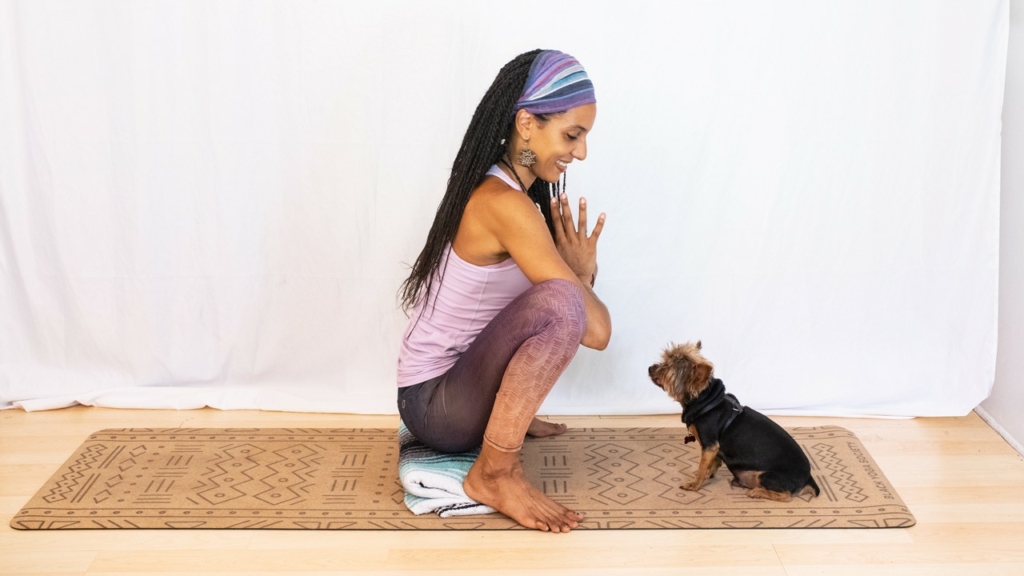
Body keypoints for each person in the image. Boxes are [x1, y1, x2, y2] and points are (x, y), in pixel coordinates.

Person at [396, 49, 611, 533]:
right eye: (572, 135)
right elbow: (595, 331)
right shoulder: (505, 206)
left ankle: (504, 419)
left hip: (450, 392)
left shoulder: (510, 193)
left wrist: (573, 274)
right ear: (527, 124)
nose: (580, 153)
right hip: (435, 406)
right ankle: (494, 472)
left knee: (554, 299)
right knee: (559, 303)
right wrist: (576, 274)